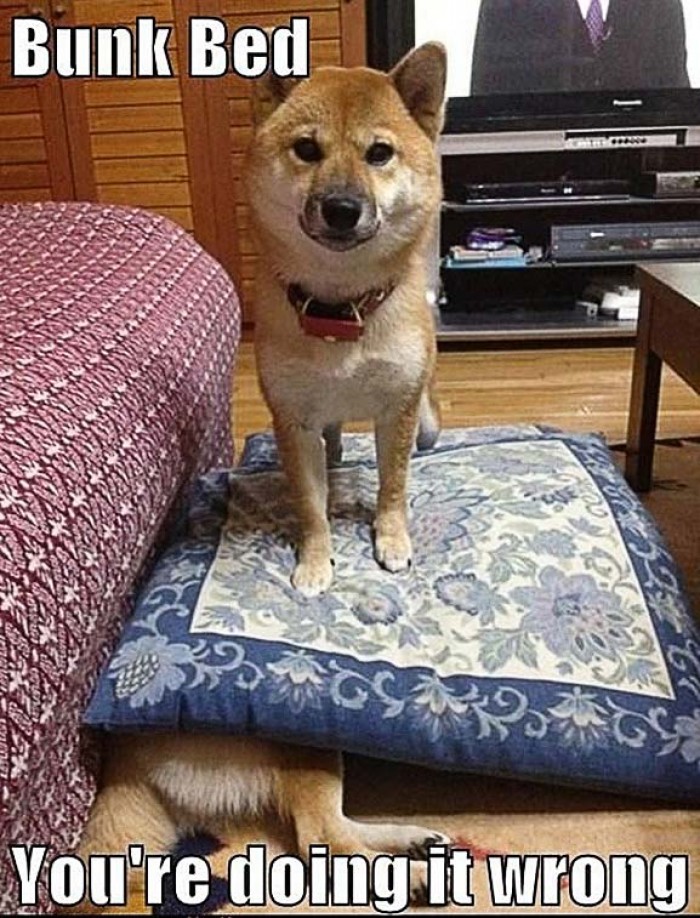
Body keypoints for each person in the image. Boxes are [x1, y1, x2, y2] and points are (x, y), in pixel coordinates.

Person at [470, 0, 691, 94]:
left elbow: (675, 98)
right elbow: (486, 100)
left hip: (633, 173)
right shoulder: (508, 4)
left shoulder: (660, 4)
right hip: (537, 172)